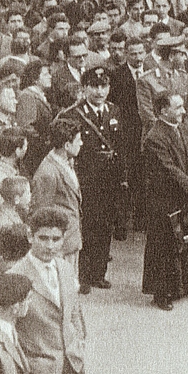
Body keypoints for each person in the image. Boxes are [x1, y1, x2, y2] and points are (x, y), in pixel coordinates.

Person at [10, 207, 87, 374]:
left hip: (72, 367)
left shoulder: (64, 267)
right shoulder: (16, 275)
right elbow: (9, 331)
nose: (50, 245)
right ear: (30, 236)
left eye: (56, 239)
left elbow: (74, 310)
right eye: (43, 238)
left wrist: (79, 344)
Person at [56, 65, 129, 290]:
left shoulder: (114, 111)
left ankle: (98, 273)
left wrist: (122, 175)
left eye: (104, 86)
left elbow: (120, 147)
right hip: (85, 180)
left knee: (104, 227)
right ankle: (84, 276)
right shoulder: (73, 114)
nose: (99, 92)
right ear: (84, 88)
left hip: (108, 180)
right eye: (94, 86)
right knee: (86, 228)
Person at [141, 92, 188, 310]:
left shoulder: (180, 128)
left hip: (185, 195)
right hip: (165, 200)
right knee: (164, 246)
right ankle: (162, 294)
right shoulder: (154, 137)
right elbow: (169, 169)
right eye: (178, 107)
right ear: (164, 111)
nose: (183, 111)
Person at [30, 120, 84, 276]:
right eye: (78, 140)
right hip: (59, 246)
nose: (81, 143)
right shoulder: (48, 172)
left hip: (70, 241)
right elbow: (41, 213)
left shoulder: (67, 162)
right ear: (67, 145)